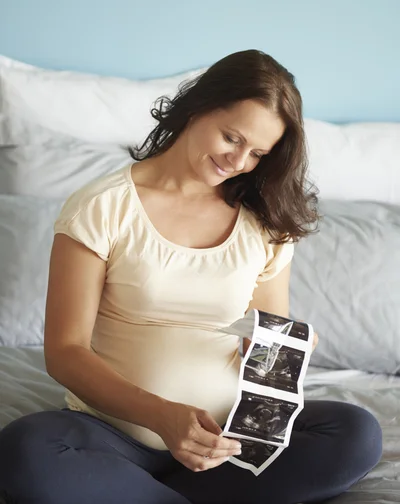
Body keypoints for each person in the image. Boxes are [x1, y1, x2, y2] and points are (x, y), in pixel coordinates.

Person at [0, 50, 382, 504]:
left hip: (229, 443)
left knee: (355, 433)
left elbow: (263, 352)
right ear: (198, 107)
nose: (239, 160)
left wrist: (281, 350)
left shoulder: (264, 222)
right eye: (231, 137)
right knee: (27, 449)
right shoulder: (102, 207)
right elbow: (65, 353)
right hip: (113, 438)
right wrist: (163, 417)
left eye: (258, 153)